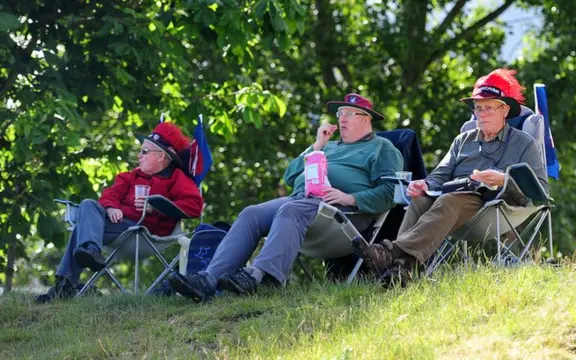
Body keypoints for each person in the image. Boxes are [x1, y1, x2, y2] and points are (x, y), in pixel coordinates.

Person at [168, 93, 403, 301]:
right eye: (340, 113)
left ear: (366, 119)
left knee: (291, 209)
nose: (341, 118)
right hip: (302, 202)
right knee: (251, 213)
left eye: (350, 113)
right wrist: (318, 145)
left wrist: (349, 197)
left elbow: (390, 193)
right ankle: (208, 280)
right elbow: (290, 176)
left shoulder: (382, 148)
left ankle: (257, 276)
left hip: (342, 214)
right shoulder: (328, 147)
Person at [352, 68, 549, 286]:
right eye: (478, 108)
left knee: (448, 200)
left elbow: (541, 189)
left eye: (489, 108)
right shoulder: (463, 140)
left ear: (504, 111)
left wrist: (504, 180)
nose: (482, 114)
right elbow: (440, 175)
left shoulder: (523, 143)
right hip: (456, 200)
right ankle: (402, 269)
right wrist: (424, 184)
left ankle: (391, 252)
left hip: (496, 204)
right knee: (420, 200)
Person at [36, 122, 204, 303]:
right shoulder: (130, 176)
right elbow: (110, 194)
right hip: (119, 226)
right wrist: (110, 207)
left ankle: (65, 285)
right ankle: (90, 251)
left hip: (145, 233)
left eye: (144, 152)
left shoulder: (176, 178)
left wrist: (157, 206)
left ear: (162, 156)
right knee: (88, 205)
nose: (139, 156)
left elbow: (194, 205)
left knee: (81, 228)